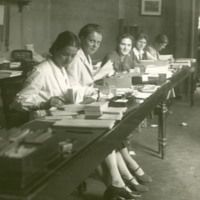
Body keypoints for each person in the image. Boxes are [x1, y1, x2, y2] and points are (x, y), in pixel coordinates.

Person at [67, 24, 151, 200]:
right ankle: (121, 179)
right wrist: (97, 82)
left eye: (98, 42)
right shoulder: (75, 58)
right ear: (81, 38)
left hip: (87, 104)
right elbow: (74, 90)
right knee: (108, 129)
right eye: (92, 41)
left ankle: (121, 179)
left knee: (112, 125)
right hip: (76, 109)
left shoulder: (86, 56)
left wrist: (96, 85)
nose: (95, 45)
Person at [9, 31, 92, 119]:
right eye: (65, 54)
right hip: (42, 121)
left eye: (73, 56)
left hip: (59, 116)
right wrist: (44, 104)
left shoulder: (61, 68)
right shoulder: (41, 70)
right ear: (55, 50)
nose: (69, 59)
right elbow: (19, 102)